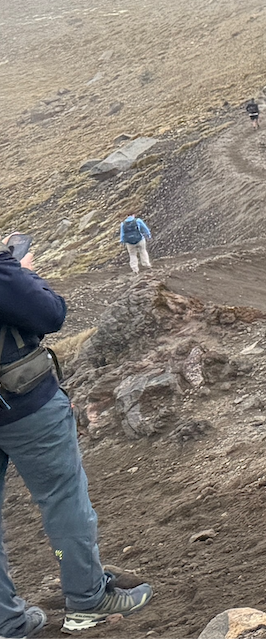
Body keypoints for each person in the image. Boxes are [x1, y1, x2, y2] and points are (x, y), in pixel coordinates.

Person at [0, 233, 153, 636]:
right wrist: (19, 271)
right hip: (23, 403)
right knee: (63, 499)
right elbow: (49, 315)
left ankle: (6, 622)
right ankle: (87, 602)